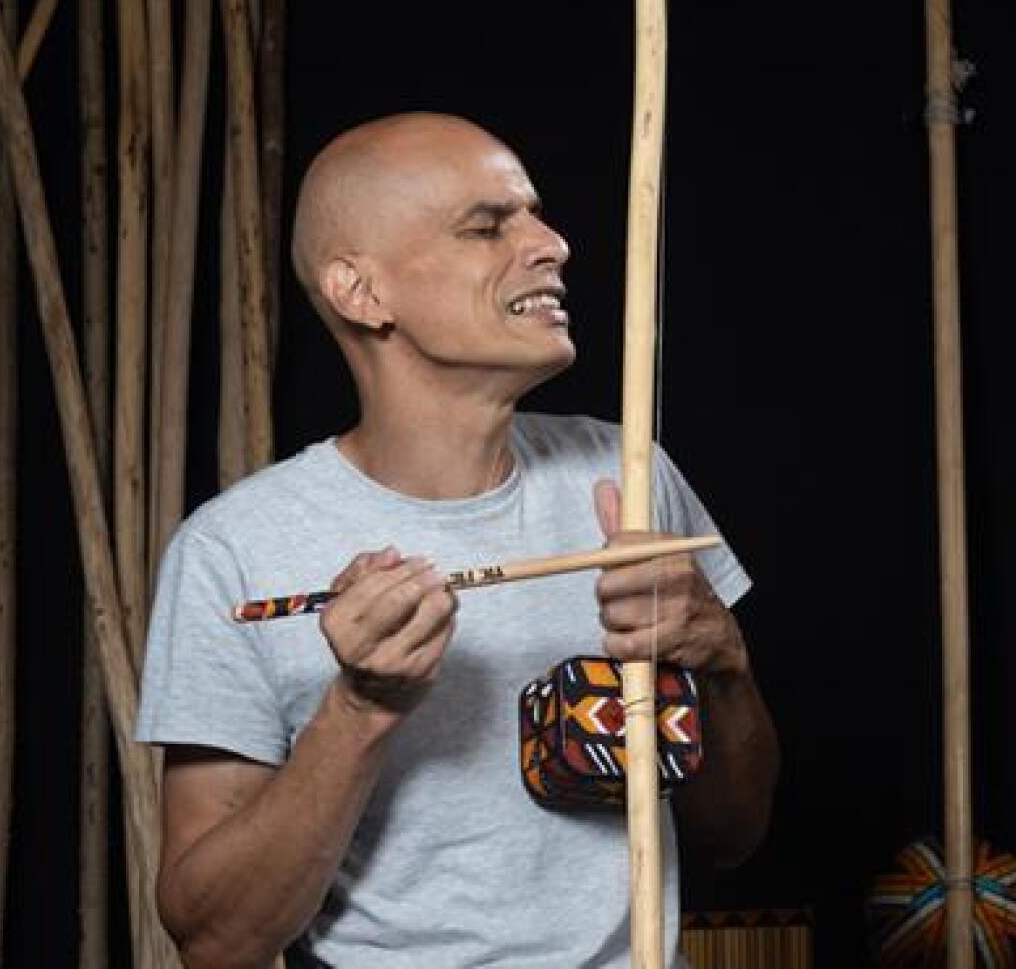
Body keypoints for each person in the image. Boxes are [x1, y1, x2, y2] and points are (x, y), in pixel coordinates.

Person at [135, 111, 779, 968]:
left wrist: (723, 660)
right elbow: (216, 939)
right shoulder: (232, 550)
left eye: (535, 215)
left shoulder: (628, 472)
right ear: (361, 292)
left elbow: (734, 833)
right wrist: (360, 709)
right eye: (487, 226)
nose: (552, 245)